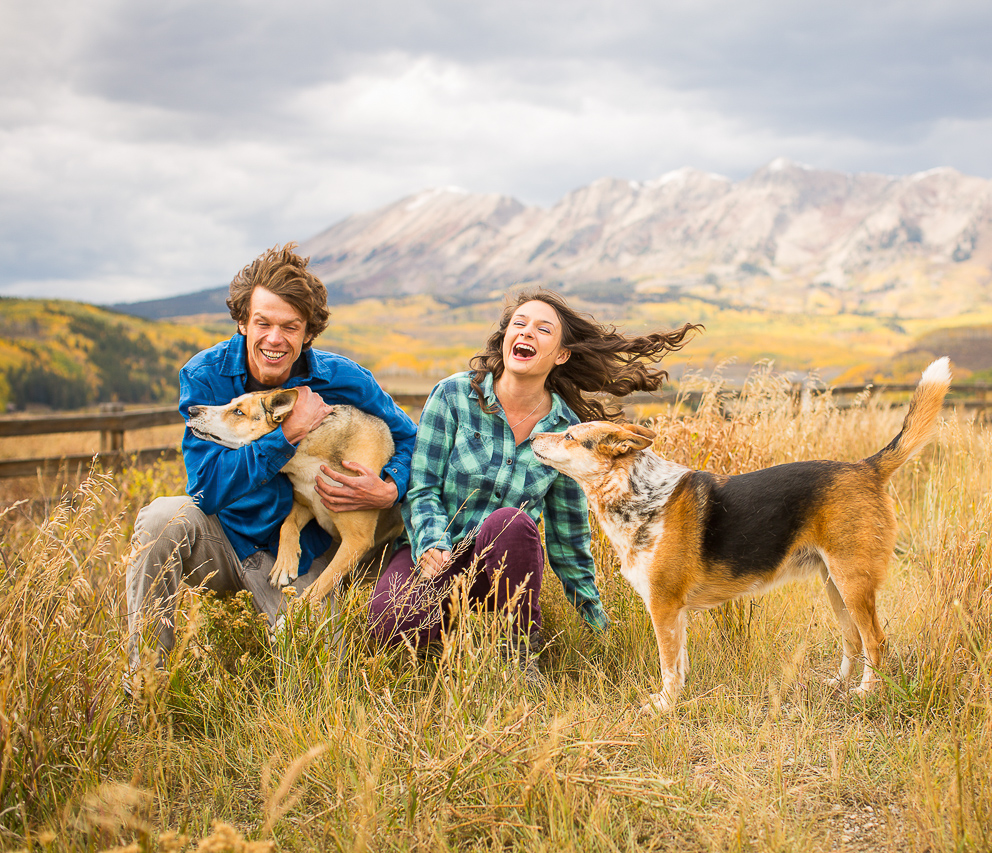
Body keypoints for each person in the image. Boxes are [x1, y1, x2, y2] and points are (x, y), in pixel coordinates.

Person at [369, 288, 700, 682]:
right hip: (437, 554)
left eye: (543, 329)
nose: (526, 333)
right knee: (389, 626)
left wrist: (599, 626)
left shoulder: (566, 433)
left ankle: (517, 651)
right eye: (519, 324)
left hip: (504, 570)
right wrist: (430, 542)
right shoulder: (454, 395)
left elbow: (568, 539)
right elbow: (422, 487)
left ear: (560, 354)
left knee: (509, 520)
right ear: (507, 337)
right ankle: (455, 643)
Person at [125, 243, 417, 677]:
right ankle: (146, 684)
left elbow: (407, 436)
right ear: (243, 321)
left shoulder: (343, 379)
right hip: (225, 536)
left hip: (302, 554)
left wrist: (390, 484)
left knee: (319, 673)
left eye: (290, 327)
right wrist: (286, 435)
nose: (275, 339)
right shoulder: (206, 376)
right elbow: (206, 491)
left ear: (307, 333)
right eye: (262, 323)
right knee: (159, 522)